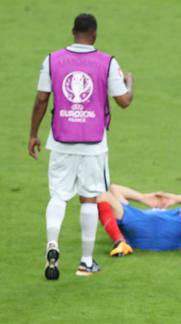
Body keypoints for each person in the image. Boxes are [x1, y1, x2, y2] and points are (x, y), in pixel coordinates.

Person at [29, 13, 134, 279]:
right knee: (89, 198)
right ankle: (86, 262)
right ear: (95, 35)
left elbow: (42, 100)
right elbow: (123, 101)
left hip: (61, 139)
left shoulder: (52, 60)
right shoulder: (107, 62)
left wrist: (33, 134)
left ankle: (52, 244)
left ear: (72, 31)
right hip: (93, 142)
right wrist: (129, 83)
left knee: (58, 196)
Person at [97, 183, 181, 259]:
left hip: (139, 222)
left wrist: (175, 198)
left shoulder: (130, 210)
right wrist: (143, 197)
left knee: (101, 194)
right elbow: (114, 188)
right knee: (100, 192)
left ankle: (120, 243)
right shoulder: (131, 210)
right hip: (173, 225)